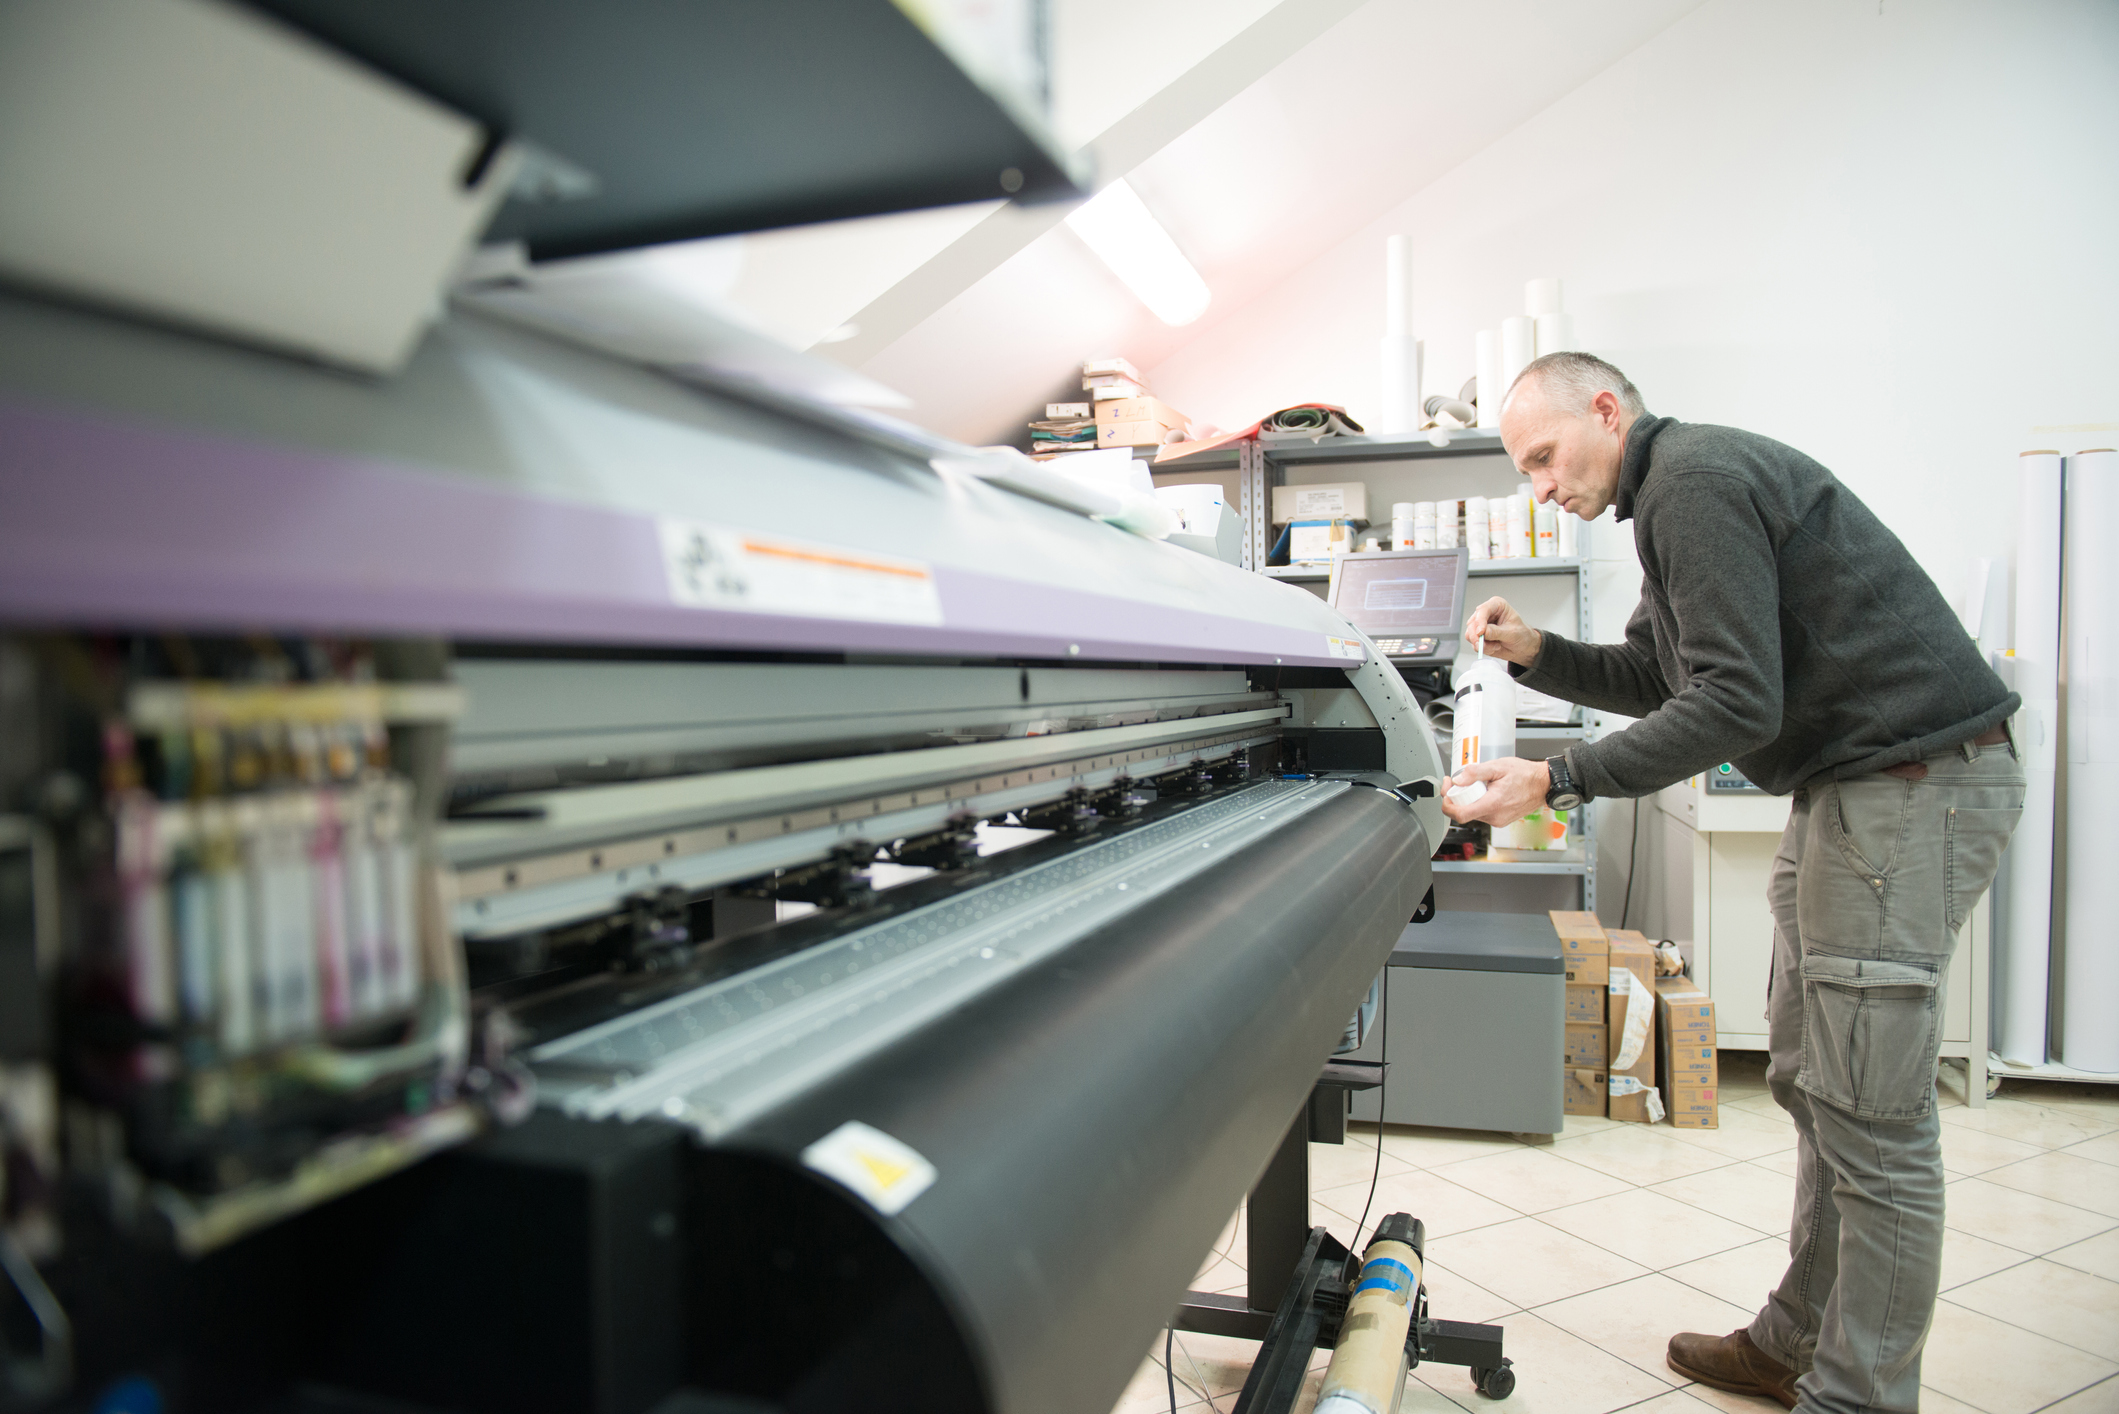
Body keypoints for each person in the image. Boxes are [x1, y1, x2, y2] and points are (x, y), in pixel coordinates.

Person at [1441, 352, 2023, 1414]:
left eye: (1543, 457)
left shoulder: (1691, 486)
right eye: (1523, 472)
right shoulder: (1668, 494)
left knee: (1872, 1113)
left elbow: (1736, 705)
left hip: (1905, 785)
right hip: (1851, 790)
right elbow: (1660, 678)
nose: (1542, 489)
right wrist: (1533, 652)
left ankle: (1859, 1395)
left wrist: (1553, 778)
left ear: (1605, 411)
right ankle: (1793, 1340)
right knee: (1814, 1081)